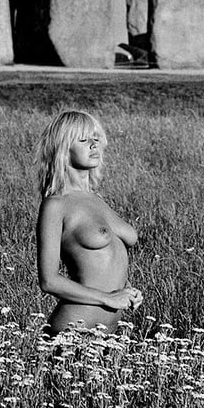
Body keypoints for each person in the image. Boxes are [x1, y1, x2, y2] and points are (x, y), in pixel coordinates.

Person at [35, 109, 143, 334]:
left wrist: (127, 292)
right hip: (73, 331)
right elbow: (49, 281)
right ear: (64, 148)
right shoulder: (56, 204)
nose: (93, 144)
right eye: (83, 140)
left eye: (95, 138)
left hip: (110, 335)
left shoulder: (97, 199)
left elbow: (103, 264)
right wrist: (108, 298)